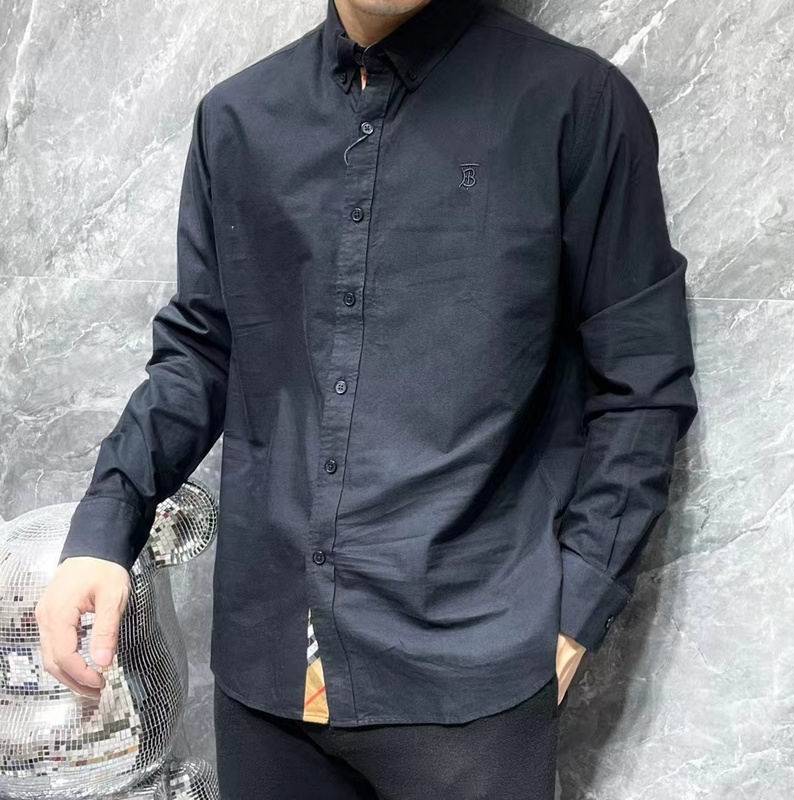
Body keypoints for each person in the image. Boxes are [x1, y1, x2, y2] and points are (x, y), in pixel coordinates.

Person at [36, 0, 698, 797]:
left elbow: (643, 381)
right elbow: (202, 353)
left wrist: (577, 606)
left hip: (474, 682)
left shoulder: (576, 105)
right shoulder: (237, 119)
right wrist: (105, 527)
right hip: (268, 671)